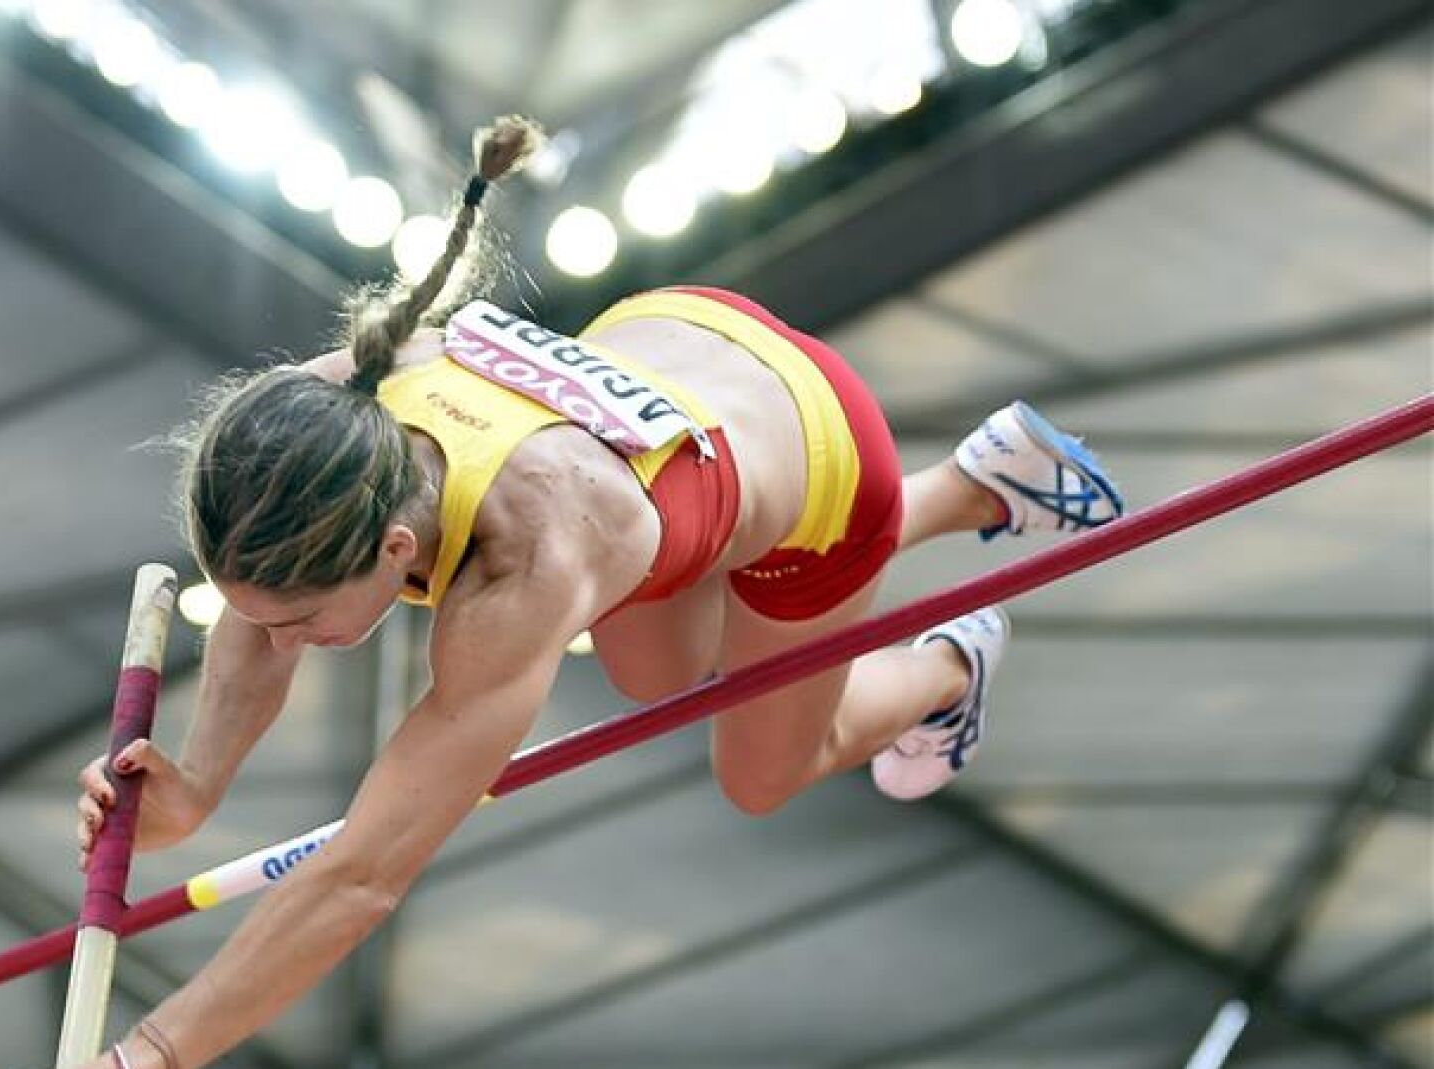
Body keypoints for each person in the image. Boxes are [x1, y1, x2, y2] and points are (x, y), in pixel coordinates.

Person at [71, 116, 1123, 1069]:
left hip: (820, 454)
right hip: (680, 345)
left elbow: (361, 875)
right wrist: (198, 783)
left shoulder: (525, 575)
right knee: (655, 674)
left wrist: (154, 1051)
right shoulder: (320, 420)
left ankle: (950, 661)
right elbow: (264, 609)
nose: (281, 640)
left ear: (395, 548)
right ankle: (978, 480)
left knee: (763, 769)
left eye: (302, 622)